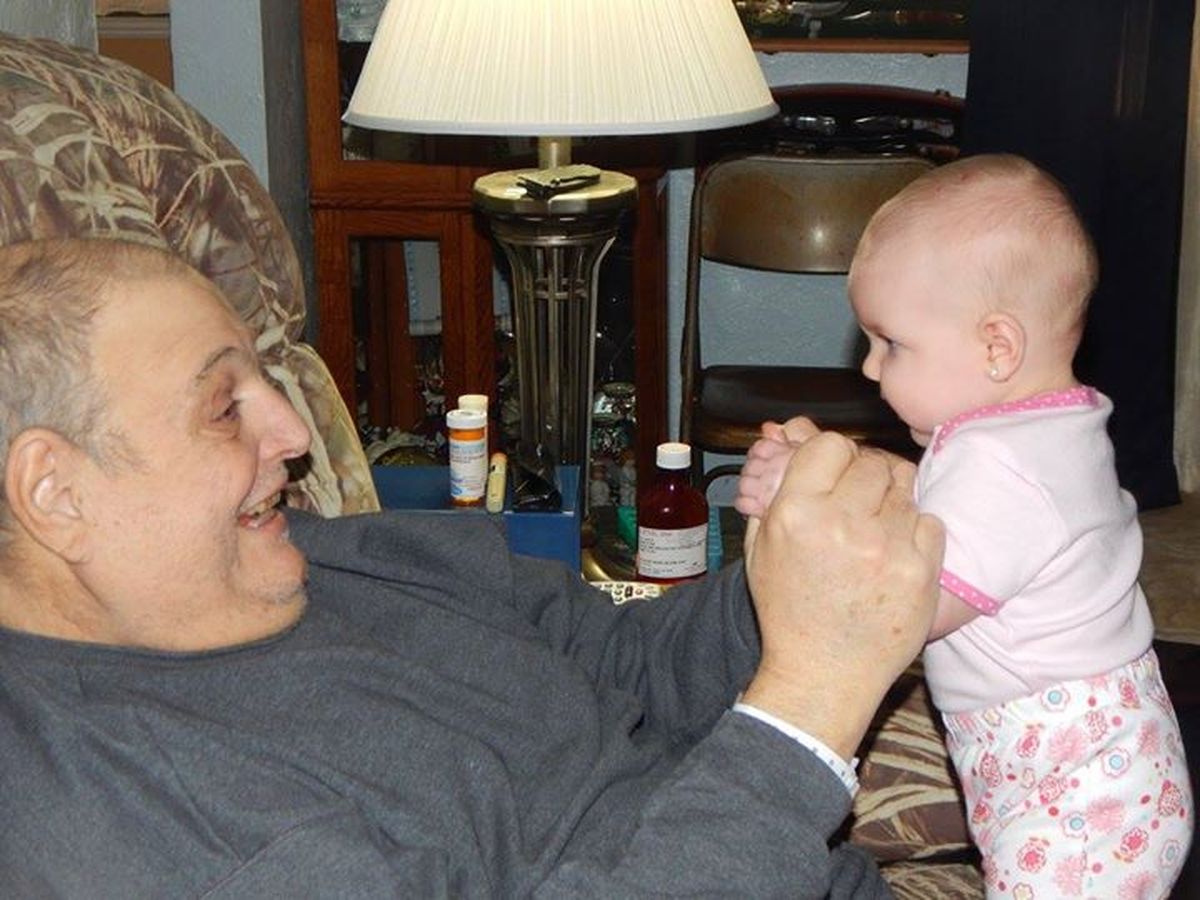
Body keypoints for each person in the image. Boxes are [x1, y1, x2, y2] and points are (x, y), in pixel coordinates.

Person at [0, 237, 944, 897]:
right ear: (56, 494)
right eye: (222, 407)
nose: (290, 433)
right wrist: (810, 700)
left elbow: (633, 666)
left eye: (265, 382)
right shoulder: (142, 824)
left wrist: (803, 571)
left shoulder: (336, 556)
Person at [737, 154, 1194, 898]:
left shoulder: (1003, 465)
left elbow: (907, 602)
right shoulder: (1039, 430)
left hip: (1076, 792)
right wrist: (825, 475)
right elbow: (935, 512)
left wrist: (803, 507)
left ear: (997, 348)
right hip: (1092, 765)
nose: (870, 369)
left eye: (891, 344)